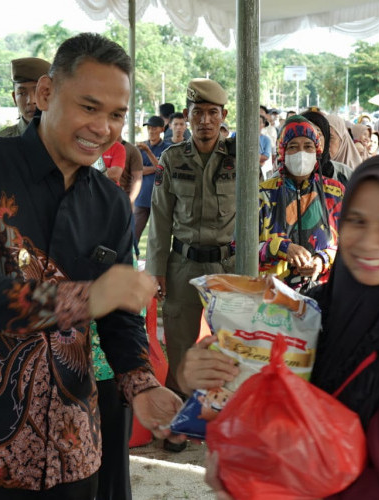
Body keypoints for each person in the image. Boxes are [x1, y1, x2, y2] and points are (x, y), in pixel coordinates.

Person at [0, 33, 183, 499]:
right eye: (89, 107)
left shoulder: (111, 206)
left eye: (117, 114)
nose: (103, 127)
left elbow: (119, 319)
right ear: (45, 94)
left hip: (71, 439)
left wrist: (142, 385)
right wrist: (84, 298)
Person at [186, 154, 379, 500]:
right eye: (356, 221)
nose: (368, 240)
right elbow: (258, 384)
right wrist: (205, 372)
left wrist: (256, 483)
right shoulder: (317, 308)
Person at [145, 78, 236, 448]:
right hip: (182, 264)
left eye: (212, 113)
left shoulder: (239, 159)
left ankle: (225, 419)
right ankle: (179, 421)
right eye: (197, 113)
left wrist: (250, 272)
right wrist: (156, 271)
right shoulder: (172, 158)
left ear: (223, 116)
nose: (204, 121)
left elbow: (252, 217)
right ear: (188, 116)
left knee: (231, 344)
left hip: (227, 267)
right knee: (180, 344)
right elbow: (160, 219)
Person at [258, 115, 344, 291]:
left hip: (323, 294)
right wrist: (280, 247)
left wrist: (323, 260)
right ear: (282, 151)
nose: (301, 153)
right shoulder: (263, 194)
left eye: (308, 146)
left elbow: (350, 245)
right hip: (272, 298)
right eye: (293, 147)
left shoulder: (335, 193)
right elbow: (240, 248)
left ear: (317, 151)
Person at [134, 115, 171, 248]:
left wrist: (148, 153)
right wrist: (154, 168)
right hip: (142, 198)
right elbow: (138, 170)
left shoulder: (168, 147)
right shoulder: (140, 147)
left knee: (158, 239)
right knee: (134, 234)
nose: (151, 130)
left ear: (162, 129)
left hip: (159, 199)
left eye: (154, 128)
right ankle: (133, 263)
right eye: (149, 128)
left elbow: (162, 169)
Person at [0, 57, 51, 138]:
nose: (30, 101)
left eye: (37, 92)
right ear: (14, 98)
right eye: (22, 93)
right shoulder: (1, 142)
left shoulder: (65, 139)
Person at [301, 108, 352, 185]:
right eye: (306, 134)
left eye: (318, 133)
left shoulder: (344, 173)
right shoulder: (281, 179)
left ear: (326, 139)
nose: (312, 140)